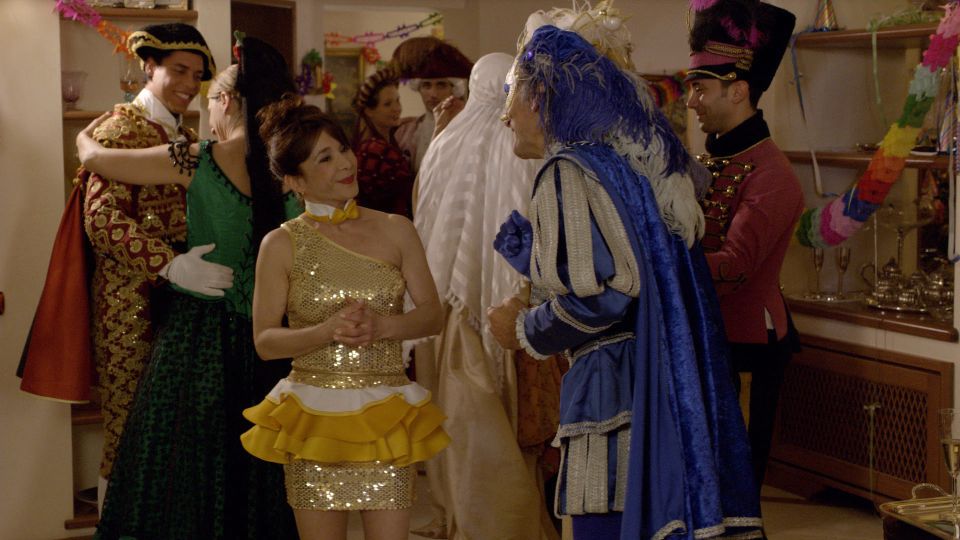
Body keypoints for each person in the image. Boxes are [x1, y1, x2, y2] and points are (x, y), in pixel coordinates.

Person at [488, 25, 762, 539]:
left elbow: (604, 299)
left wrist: (523, 329)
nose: (506, 116)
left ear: (540, 96)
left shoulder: (566, 169)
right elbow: (632, 266)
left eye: (511, 97)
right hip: (650, 374)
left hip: (610, 384)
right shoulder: (616, 162)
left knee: (605, 522)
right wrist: (538, 260)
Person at [76, 36, 301, 539]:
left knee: (186, 465)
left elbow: (97, 161)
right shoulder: (295, 165)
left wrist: (85, 139)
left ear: (227, 102)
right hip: (275, 336)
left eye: (208, 94)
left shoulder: (199, 158)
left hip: (201, 336)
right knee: (262, 466)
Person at [18, 22, 225, 511]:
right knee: (129, 428)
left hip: (181, 301)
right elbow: (102, 220)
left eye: (196, 75)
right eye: (178, 70)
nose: (188, 84)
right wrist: (169, 265)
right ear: (148, 67)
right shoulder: (119, 128)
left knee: (173, 428)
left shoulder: (183, 134)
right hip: (128, 304)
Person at [240, 97, 451, 540]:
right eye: (325, 158)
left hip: (386, 415)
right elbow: (265, 341)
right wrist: (325, 331)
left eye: (342, 149)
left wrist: (384, 326)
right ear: (295, 180)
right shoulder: (280, 244)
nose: (345, 163)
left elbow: (433, 315)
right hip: (313, 420)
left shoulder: (396, 228)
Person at [412, 52, 558, 540]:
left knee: (453, 421)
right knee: (509, 422)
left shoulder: (446, 140)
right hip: (509, 304)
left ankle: (454, 514)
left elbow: (423, 213)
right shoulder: (522, 143)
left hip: (447, 305)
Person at [686, 0, 802, 497]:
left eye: (700, 88)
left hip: (748, 342)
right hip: (708, 331)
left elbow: (734, 267)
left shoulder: (770, 174)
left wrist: (657, 258)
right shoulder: (709, 161)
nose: (691, 101)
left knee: (737, 480)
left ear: (737, 90)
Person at [391, 36, 473, 172]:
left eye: (441, 85)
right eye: (426, 85)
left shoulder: (467, 128)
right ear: (418, 88)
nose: (433, 94)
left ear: (453, 89)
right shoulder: (405, 133)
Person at [352, 67, 416, 218]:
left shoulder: (388, 141)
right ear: (369, 111)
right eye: (387, 104)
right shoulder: (374, 149)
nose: (397, 108)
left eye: (397, 100)